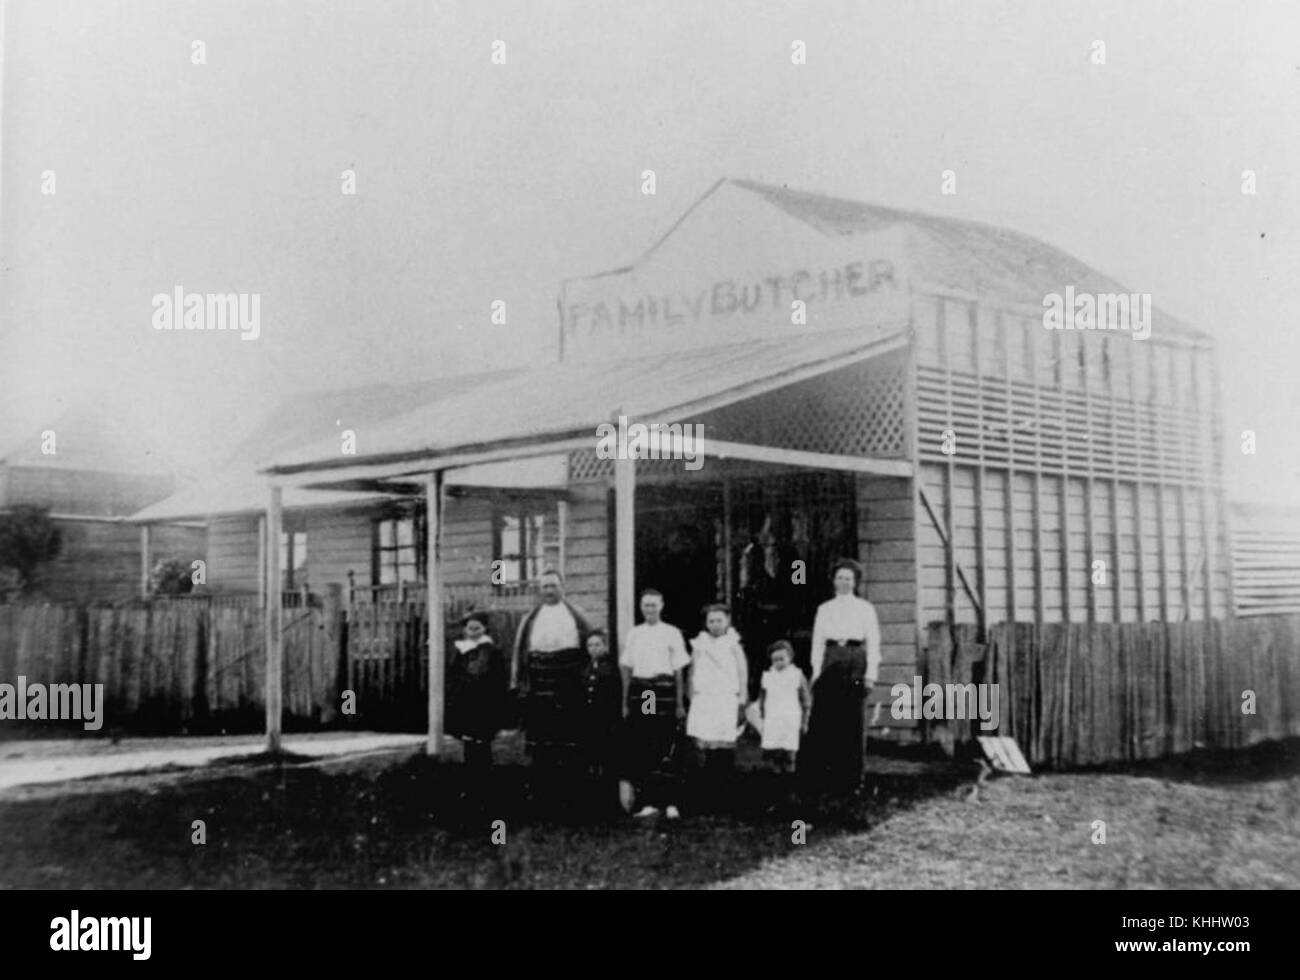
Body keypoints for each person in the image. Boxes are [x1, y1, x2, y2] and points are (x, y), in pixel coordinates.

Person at [800, 558, 881, 794]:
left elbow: (874, 642)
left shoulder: (865, 608)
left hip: (856, 659)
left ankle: (853, 779)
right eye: (840, 577)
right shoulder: (825, 609)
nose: (844, 582)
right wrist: (816, 671)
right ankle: (824, 777)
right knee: (826, 719)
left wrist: (870, 675)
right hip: (831, 659)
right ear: (834, 581)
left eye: (848, 578)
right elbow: (817, 643)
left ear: (855, 582)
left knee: (853, 721)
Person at [620, 588, 690, 820]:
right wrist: (626, 701)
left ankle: (671, 803)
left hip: (664, 689)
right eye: (646, 605)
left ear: (661, 606)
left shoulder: (671, 633)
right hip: (645, 692)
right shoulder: (635, 634)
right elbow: (627, 667)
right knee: (646, 743)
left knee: (667, 743)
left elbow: (679, 670)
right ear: (641, 607)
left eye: (654, 605)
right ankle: (650, 802)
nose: (649, 609)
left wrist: (679, 702)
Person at [510, 569, 593, 764]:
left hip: (568, 682)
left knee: (568, 737)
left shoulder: (577, 615)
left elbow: (590, 645)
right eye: (545, 586)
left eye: (553, 586)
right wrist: (517, 682)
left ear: (562, 588)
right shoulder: (530, 618)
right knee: (541, 739)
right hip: (539, 683)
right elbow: (519, 651)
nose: (549, 590)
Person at [685, 604, 748, 798]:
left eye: (719, 620)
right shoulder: (699, 644)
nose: (715, 624)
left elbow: (742, 672)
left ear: (727, 621)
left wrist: (742, 698)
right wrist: (691, 695)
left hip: (726, 698)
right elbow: (692, 671)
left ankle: (724, 792)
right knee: (705, 746)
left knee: (724, 745)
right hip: (705, 699)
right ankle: (706, 792)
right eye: (711, 621)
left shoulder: (733, 644)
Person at [445, 610, 508, 771]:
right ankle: (470, 772)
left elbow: (499, 679)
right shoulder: (461, 650)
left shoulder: (492, 651)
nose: (473, 632)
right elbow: (454, 675)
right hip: (465, 701)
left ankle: (483, 773)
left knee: (482, 740)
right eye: (469, 628)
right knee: (469, 740)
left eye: (477, 628)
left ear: (484, 629)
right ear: (465, 631)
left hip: (485, 702)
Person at [579, 629, 623, 791]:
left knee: (606, 758)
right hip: (588, 721)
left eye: (597, 644)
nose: (593, 648)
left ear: (605, 646)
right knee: (591, 758)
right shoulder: (585, 668)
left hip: (605, 721)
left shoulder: (610, 669)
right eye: (590, 645)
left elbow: (615, 697)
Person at [760, 639, 811, 776]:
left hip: (790, 720)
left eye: (782, 659)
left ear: (790, 657)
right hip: (773, 719)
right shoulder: (768, 676)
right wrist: (763, 717)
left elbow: (806, 700)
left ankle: (789, 784)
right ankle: (776, 783)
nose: (778, 663)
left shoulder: (797, 675)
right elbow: (763, 699)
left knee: (789, 754)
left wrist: (804, 721)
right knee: (774, 753)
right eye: (775, 660)